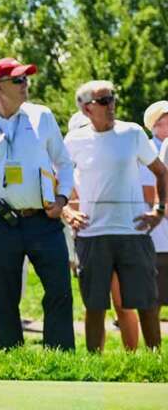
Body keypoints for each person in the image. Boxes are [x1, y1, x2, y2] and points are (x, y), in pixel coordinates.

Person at [0, 58, 75, 350]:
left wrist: (62, 199)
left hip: (44, 220)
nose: (25, 86)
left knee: (59, 290)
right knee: (3, 298)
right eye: (18, 80)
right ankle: (12, 359)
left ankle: (60, 358)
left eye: (26, 79)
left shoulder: (42, 116)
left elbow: (64, 162)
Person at [62, 81, 165, 351]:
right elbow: (53, 180)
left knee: (146, 304)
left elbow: (161, 172)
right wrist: (66, 211)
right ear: (86, 109)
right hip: (92, 234)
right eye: (104, 101)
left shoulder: (132, 132)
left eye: (112, 98)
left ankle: (157, 364)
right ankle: (94, 369)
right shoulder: (73, 140)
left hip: (134, 233)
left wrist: (159, 210)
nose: (112, 105)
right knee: (94, 307)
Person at [145, 101, 168, 326]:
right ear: (156, 124)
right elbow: (148, 190)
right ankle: (155, 351)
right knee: (156, 296)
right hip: (159, 234)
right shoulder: (148, 150)